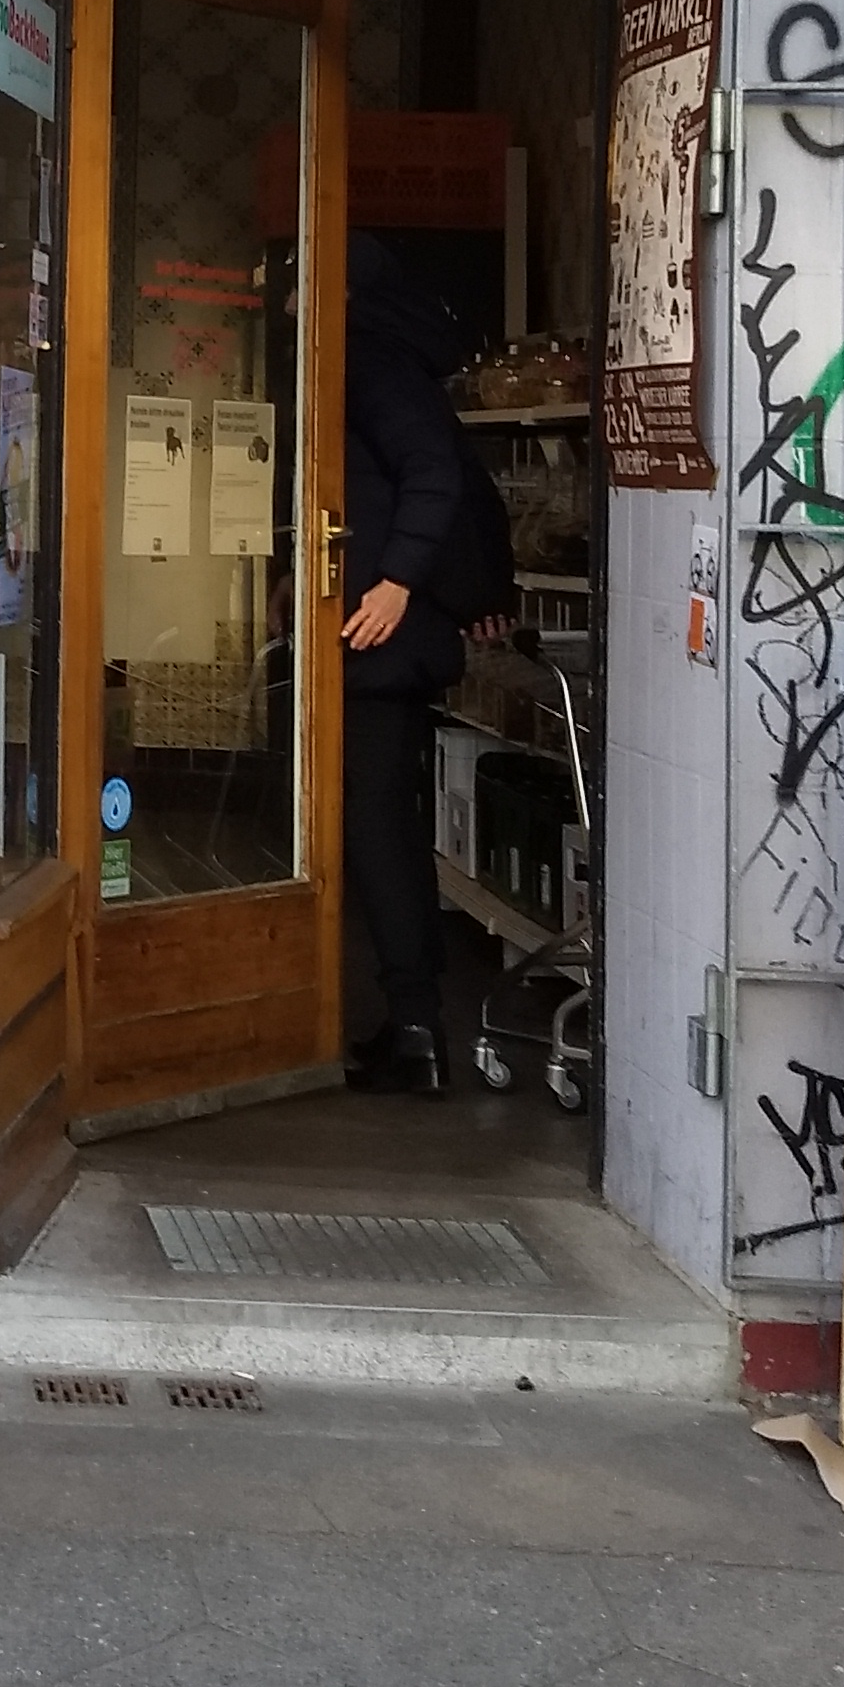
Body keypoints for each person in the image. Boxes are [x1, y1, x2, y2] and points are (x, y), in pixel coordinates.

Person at [339, 234, 510, 1095]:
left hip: (380, 638)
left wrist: (395, 582)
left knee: (374, 825)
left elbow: (431, 474)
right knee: (386, 823)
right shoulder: (390, 359)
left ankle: (415, 1028)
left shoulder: (372, 363)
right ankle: (413, 1020)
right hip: (385, 636)